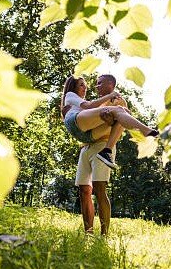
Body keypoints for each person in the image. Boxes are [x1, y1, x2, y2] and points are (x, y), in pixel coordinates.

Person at [63, 74, 158, 235]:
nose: (94, 86)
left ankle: (104, 234)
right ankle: (89, 233)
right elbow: (90, 115)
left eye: (99, 83)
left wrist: (109, 126)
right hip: (86, 146)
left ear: (110, 84)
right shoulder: (95, 102)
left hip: (101, 145)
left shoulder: (117, 101)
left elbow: (118, 123)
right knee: (83, 190)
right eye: (84, 85)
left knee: (100, 188)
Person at [60, 75, 158, 169]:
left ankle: (106, 151)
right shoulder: (70, 95)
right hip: (74, 123)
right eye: (81, 85)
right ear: (73, 86)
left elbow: (97, 117)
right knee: (120, 110)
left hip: (87, 136)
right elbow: (89, 105)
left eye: (85, 86)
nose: (85, 88)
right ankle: (147, 132)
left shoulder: (112, 102)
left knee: (122, 113)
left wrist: (111, 120)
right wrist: (111, 95)